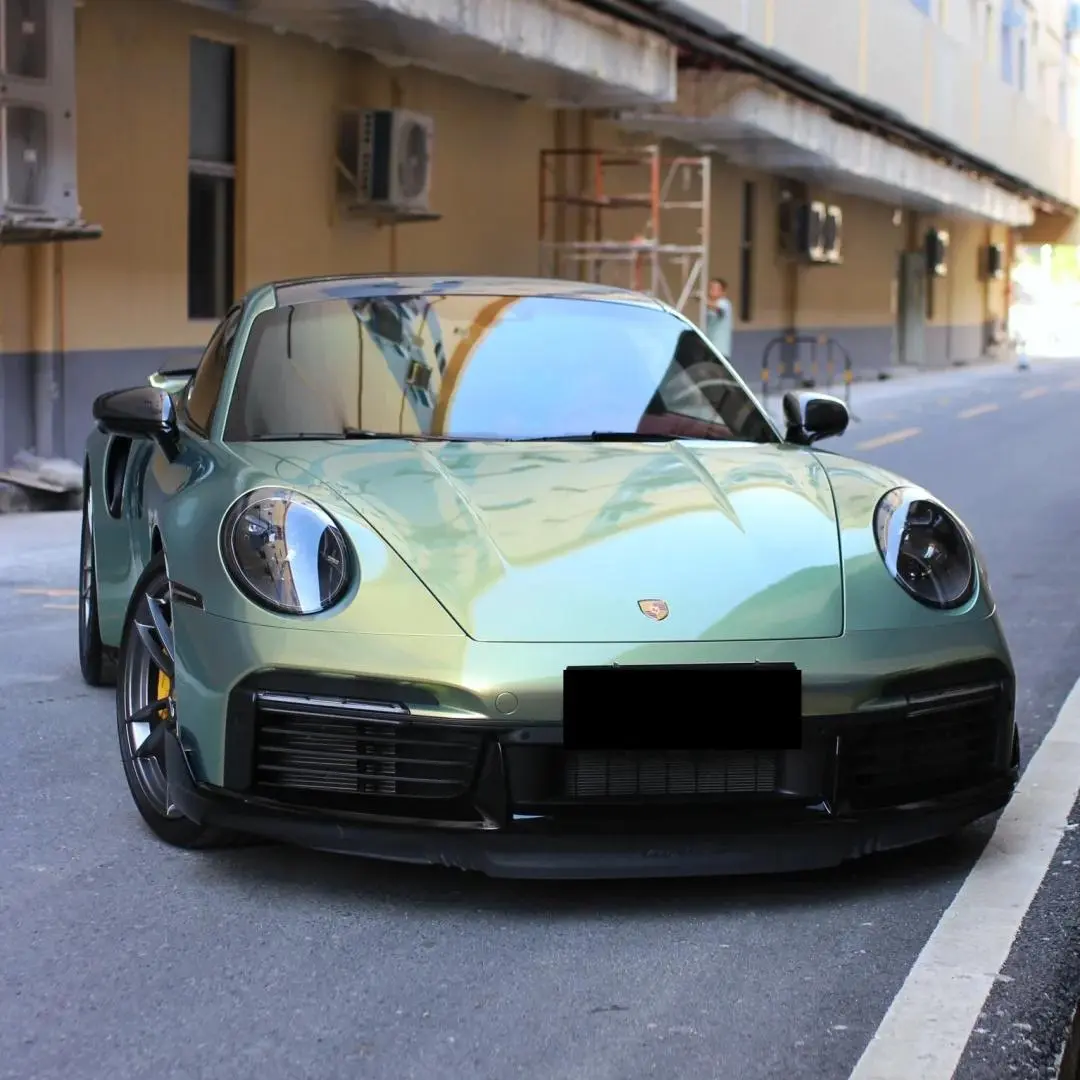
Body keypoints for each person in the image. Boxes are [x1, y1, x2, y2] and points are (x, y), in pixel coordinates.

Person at [705, 277, 733, 359]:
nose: (712, 290)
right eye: (711, 288)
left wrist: (703, 300)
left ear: (723, 292)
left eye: (715, 288)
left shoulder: (724, 303)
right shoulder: (709, 308)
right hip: (711, 349)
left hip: (720, 351)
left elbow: (720, 310)